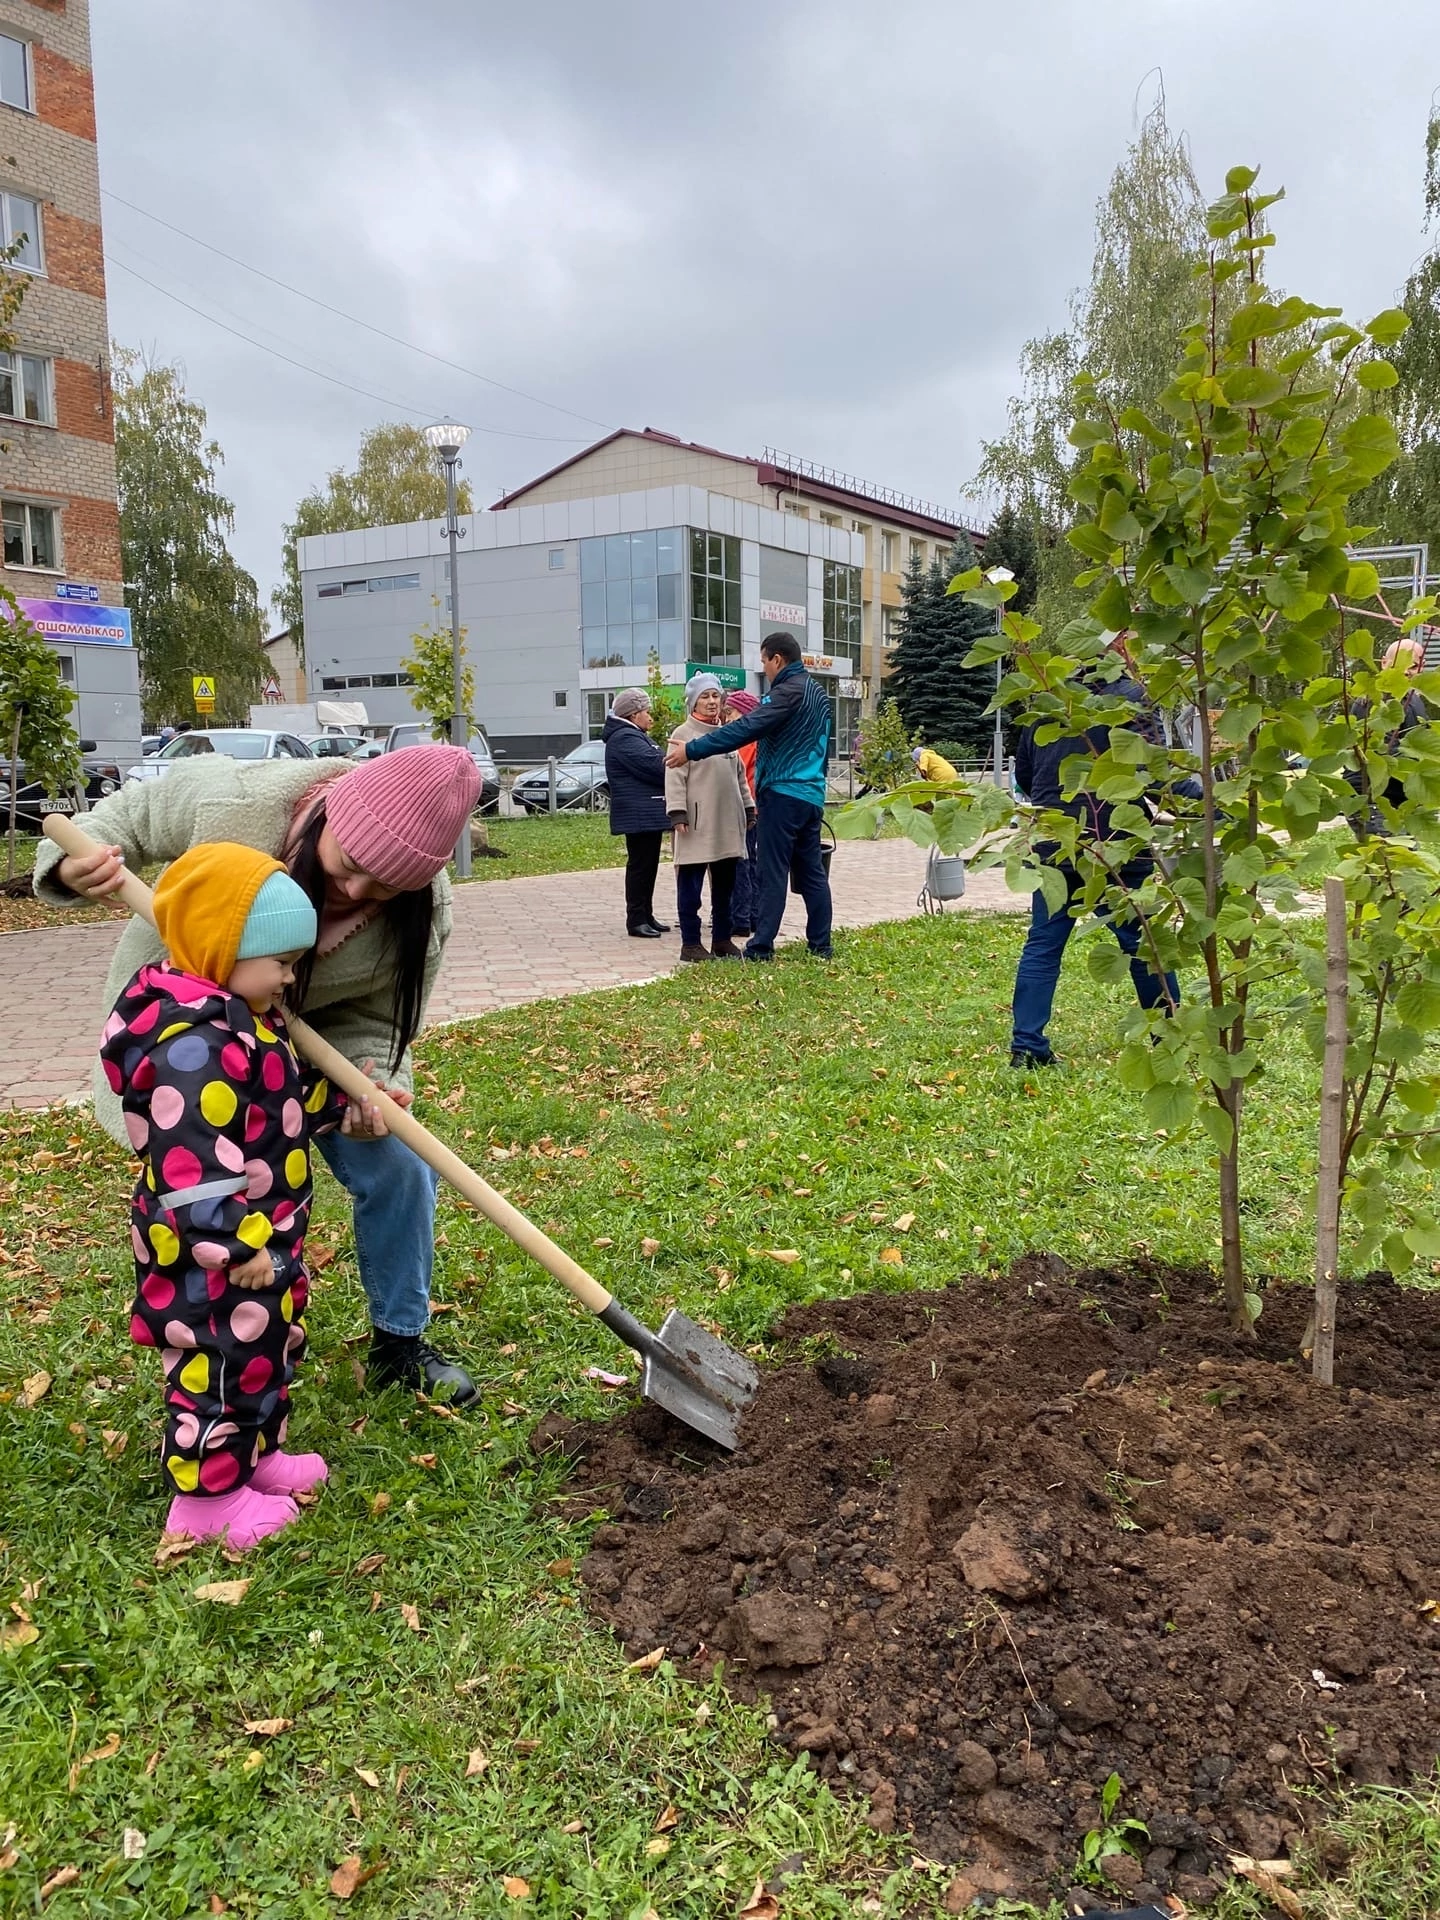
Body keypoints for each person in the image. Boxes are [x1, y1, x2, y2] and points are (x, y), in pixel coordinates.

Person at [34, 743, 483, 1405]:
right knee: (214, 1199)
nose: (358, 892)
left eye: (386, 887)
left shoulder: (425, 911)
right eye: (352, 866)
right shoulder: (236, 803)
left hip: (305, 1043)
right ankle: (222, 1362)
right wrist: (78, 860)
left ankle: (400, 1341)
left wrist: (372, 1077)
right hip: (195, 1041)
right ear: (331, 815)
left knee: (400, 1164)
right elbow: (124, 817)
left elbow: (381, 1018)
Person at [101, 843, 386, 1550]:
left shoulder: (243, 1017)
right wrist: (233, 1245)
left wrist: (343, 1102)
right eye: (283, 962)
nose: (292, 977)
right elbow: (190, 1161)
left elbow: (271, 1104)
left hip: (263, 1238)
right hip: (215, 1252)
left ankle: (252, 1460)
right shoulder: (190, 1044)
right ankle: (204, 1501)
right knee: (219, 1364)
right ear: (221, 948)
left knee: (264, 1353)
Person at [1009, 654, 1180, 1069]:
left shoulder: (1045, 704)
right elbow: (1155, 774)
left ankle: (1026, 1047)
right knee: (1143, 944)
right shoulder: (1131, 699)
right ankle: (1169, 1035)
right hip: (1119, 841)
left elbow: (1026, 778)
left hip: (1056, 841)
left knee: (1044, 944)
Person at [666, 633, 832, 961]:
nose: (765, 669)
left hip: (783, 795)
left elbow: (745, 729)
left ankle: (760, 947)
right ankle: (821, 945)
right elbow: (824, 747)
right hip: (812, 796)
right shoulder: (818, 695)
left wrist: (693, 750)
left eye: (764, 662)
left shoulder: (785, 693)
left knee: (772, 874)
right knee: (812, 872)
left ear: (777, 660)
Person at [665, 673, 755, 962]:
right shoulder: (682, 735)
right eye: (705, 696)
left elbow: (739, 776)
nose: (712, 701)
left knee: (725, 885)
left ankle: (722, 940)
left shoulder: (727, 735)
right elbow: (674, 777)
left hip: (728, 822)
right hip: (696, 823)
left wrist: (748, 806)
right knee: (690, 885)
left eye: (716, 696)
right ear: (693, 702)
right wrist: (677, 811)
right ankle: (690, 943)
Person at [602, 688, 671, 939]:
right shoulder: (625, 738)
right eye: (646, 711)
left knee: (648, 865)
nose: (650, 717)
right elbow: (656, 766)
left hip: (644, 813)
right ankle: (636, 919)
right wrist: (663, 758)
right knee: (641, 867)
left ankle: (646, 914)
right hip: (638, 814)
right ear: (633, 714)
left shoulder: (633, 735)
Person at [724, 689, 761, 937]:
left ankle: (741, 918)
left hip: (744, 808)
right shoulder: (758, 737)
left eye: (731, 713)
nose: (727, 719)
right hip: (755, 807)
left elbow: (736, 774)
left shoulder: (745, 741)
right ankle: (754, 915)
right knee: (752, 864)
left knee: (741, 863)